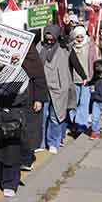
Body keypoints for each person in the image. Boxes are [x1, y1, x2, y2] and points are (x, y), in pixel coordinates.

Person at [0, 48, 47, 198]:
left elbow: (6, 93)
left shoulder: (19, 72)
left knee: (11, 151)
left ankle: (10, 183)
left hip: (11, 116)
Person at [37, 25, 75, 154]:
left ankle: (54, 142)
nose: (49, 41)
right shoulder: (39, 47)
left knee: (56, 117)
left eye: (51, 39)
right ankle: (40, 142)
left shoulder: (62, 50)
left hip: (58, 89)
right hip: (42, 88)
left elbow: (65, 73)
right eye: (47, 38)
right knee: (41, 117)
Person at [68, 26, 98, 135]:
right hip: (73, 79)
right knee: (73, 102)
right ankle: (73, 122)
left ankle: (80, 124)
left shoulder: (90, 46)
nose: (79, 39)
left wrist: (93, 77)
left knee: (84, 103)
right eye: (77, 37)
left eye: (81, 36)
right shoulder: (70, 47)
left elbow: (95, 61)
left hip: (87, 79)